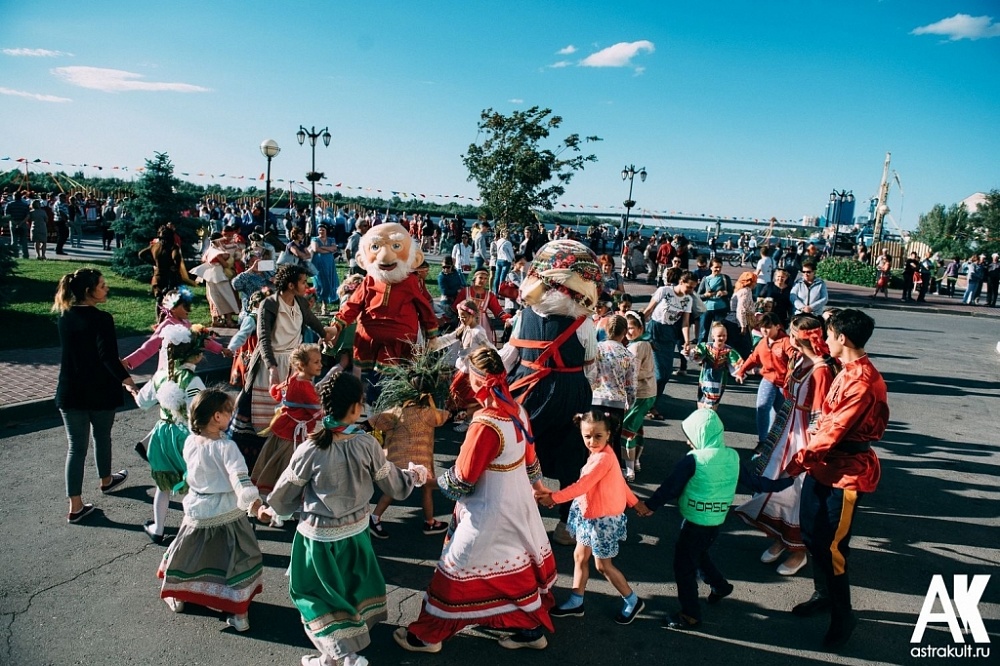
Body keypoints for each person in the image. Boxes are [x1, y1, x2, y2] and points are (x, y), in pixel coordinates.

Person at [395, 348, 557, 653]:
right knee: (509, 568)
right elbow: (531, 460)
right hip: (518, 503)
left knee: (456, 570)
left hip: (488, 509)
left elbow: (461, 480)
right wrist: (539, 488)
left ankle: (428, 636)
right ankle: (528, 630)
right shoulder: (518, 411)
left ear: (476, 381)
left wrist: (422, 478)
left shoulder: (485, 424)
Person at [267, 373, 424, 666]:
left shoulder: (310, 449)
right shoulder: (366, 445)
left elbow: (283, 494)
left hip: (318, 538)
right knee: (348, 593)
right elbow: (395, 486)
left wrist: (276, 510)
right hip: (355, 533)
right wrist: (413, 476)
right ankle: (335, 656)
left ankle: (340, 655)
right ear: (355, 408)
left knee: (312, 597)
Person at [783, 309, 887, 650]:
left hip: (846, 475)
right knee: (813, 536)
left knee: (832, 549)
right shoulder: (847, 370)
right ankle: (823, 595)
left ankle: (844, 615)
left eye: (828, 334)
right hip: (824, 467)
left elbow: (836, 431)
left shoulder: (861, 380)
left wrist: (797, 462)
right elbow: (828, 421)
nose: (824, 340)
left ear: (842, 338)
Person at [736, 314, 837, 577]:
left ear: (800, 337)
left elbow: (819, 416)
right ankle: (782, 538)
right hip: (785, 431)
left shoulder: (821, 369)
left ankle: (799, 549)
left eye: (792, 332)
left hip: (803, 436)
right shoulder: (798, 359)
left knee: (796, 492)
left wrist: (812, 451)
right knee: (773, 483)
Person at [157, 389, 266, 632]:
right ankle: (238, 613)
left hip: (198, 509)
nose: (231, 416)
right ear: (217, 416)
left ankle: (181, 593)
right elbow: (240, 479)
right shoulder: (227, 447)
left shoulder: (190, 441)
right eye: (228, 412)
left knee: (189, 552)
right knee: (237, 557)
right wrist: (255, 504)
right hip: (227, 509)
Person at [634, 409, 743, 631]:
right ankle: (719, 586)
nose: (687, 441)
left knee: (684, 567)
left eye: (691, 435)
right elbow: (754, 481)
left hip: (695, 519)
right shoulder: (731, 455)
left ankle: (690, 615)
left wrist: (650, 505)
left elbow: (671, 487)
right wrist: (784, 481)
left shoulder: (693, 460)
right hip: (716, 519)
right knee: (699, 552)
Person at [536, 410, 648, 624]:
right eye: (587, 436)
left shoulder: (602, 459)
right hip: (591, 516)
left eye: (598, 436)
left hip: (602, 521)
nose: (592, 441)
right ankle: (576, 601)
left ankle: (633, 600)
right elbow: (619, 483)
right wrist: (635, 503)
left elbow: (582, 486)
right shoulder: (601, 453)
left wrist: (553, 498)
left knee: (603, 566)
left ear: (608, 434)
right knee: (580, 557)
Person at [53, 268, 138, 523]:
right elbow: (106, 357)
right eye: (102, 286)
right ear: (90, 292)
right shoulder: (102, 319)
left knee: (76, 448)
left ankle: (75, 506)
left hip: (70, 390)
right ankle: (106, 480)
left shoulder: (64, 317)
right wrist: (129, 382)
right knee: (103, 436)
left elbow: (84, 351)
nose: (106, 289)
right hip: (99, 390)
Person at [134, 324, 209, 543]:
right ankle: (193, 532)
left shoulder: (159, 376)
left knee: (163, 484)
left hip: (161, 434)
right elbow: (199, 410)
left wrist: (134, 390)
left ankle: (158, 527)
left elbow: (142, 402)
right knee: (194, 485)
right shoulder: (192, 380)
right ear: (194, 356)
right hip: (185, 436)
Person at [368, 371, 451, 538]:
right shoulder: (431, 413)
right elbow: (447, 416)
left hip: (397, 459)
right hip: (422, 461)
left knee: (392, 490)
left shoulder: (396, 412)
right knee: (427, 488)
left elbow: (373, 422)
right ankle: (429, 522)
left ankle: (375, 517)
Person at [251, 343, 324, 494]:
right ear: (302, 365)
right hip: (293, 434)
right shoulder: (305, 386)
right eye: (316, 362)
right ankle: (285, 497)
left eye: (320, 361)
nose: (320, 365)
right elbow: (318, 412)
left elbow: (278, 390)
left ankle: (269, 492)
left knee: (273, 462)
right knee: (289, 464)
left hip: (284, 425)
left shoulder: (295, 377)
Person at [122, 286, 229, 373]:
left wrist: (221, 349)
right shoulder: (167, 326)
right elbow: (149, 347)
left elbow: (201, 340)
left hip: (185, 369)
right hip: (169, 372)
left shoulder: (186, 323)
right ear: (173, 308)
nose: (189, 310)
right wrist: (128, 361)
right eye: (185, 306)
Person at [735, 312, 794, 452]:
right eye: (762, 327)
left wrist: (792, 377)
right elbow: (753, 358)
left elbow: (794, 358)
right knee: (762, 407)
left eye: (768, 327)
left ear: (777, 326)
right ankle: (762, 440)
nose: (764, 330)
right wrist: (741, 371)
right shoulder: (762, 342)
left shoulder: (785, 341)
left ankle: (775, 442)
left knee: (779, 414)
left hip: (783, 384)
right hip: (767, 379)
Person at [642, 271, 697, 418]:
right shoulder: (664, 291)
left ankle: (653, 403)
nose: (690, 290)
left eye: (693, 288)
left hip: (670, 333)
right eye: (689, 286)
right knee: (659, 374)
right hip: (655, 330)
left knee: (665, 375)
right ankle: (648, 405)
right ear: (681, 281)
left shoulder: (687, 300)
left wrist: (687, 341)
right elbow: (649, 310)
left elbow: (685, 322)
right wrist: (638, 327)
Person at [434, 300, 495, 432]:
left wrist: (496, 361)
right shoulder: (464, 328)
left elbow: (490, 348)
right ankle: (460, 417)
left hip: (472, 372)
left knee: (467, 397)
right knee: (456, 394)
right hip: (462, 369)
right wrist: (434, 344)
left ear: (473, 316)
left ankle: (469, 420)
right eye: (460, 317)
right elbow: (449, 338)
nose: (461, 319)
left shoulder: (478, 332)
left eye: (464, 317)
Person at [589, 315, 637, 474]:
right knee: (613, 440)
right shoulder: (628, 355)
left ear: (605, 329)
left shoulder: (596, 349)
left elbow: (589, 372)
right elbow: (631, 384)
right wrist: (630, 401)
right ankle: (612, 473)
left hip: (595, 399)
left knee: (593, 438)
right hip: (616, 402)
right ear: (624, 332)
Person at [621, 311, 656, 478]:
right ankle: (636, 462)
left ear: (640, 328)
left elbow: (632, 374)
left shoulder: (636, 346)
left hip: (640, 393)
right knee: (637, 427)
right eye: (626, 328)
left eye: (632, 328)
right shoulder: (644, 344)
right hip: (649, 392)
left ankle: (629, 470)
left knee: (627, 430)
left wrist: (629, 396)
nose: (629, 332)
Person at [691, 322, 742, 410]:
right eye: (719, 335)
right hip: (705, 378)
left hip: (720, 380)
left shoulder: (728, 350)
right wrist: (691, 353)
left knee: (713, 405)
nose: (722, 338)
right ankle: (701, 419)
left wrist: (740, 370)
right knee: (702, 402)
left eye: (724, 335)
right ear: (713, 336)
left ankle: (709, 419)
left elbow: (736, 362)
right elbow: (696, 355)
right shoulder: (706, 347)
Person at [696, 259, 732, 343]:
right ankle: (701, 352)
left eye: (720, 267)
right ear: (711, 267)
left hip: (721, 309)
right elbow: (698, 295)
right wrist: (705, 295)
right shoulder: (705, 279)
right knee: (703, 332)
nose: (718, 269)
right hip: (707, 309)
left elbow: (731, 292)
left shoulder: (725, 278)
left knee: (719, 332)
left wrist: (725, 292)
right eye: (716, 267)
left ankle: (719, 352)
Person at [310, 224, 341, 315]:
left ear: (326, 231)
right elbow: (316, 249)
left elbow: (334, 248)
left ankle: (325, 305)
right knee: (319, 284)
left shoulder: (331, 239)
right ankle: (316, 305)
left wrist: (322, 248)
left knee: (329, 282)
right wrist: (328, 250)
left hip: (329, 264)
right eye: (319, 230)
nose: (321, 232)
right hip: (318, 264)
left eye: (323, 230)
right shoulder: (314, 239)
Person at [4, 191, 30, 259]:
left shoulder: (9, 204)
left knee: (14, 239)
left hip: (13, 223)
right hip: (23, 223)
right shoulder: (25, 205)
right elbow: (28, 215)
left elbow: (7, 215)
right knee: (24, 240)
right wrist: (21, 222)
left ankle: (15, 254)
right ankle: (25, 255)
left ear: (14, 196)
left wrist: (14, 222)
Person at [492, 229, 515, 293]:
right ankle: (500, 292)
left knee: (497, 277)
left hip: (499, 260)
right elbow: (511, 253)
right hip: (506, 260)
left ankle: (495, 291)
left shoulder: (498, 241)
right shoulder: (508, 243)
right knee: (502, 277)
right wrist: (514, 259)